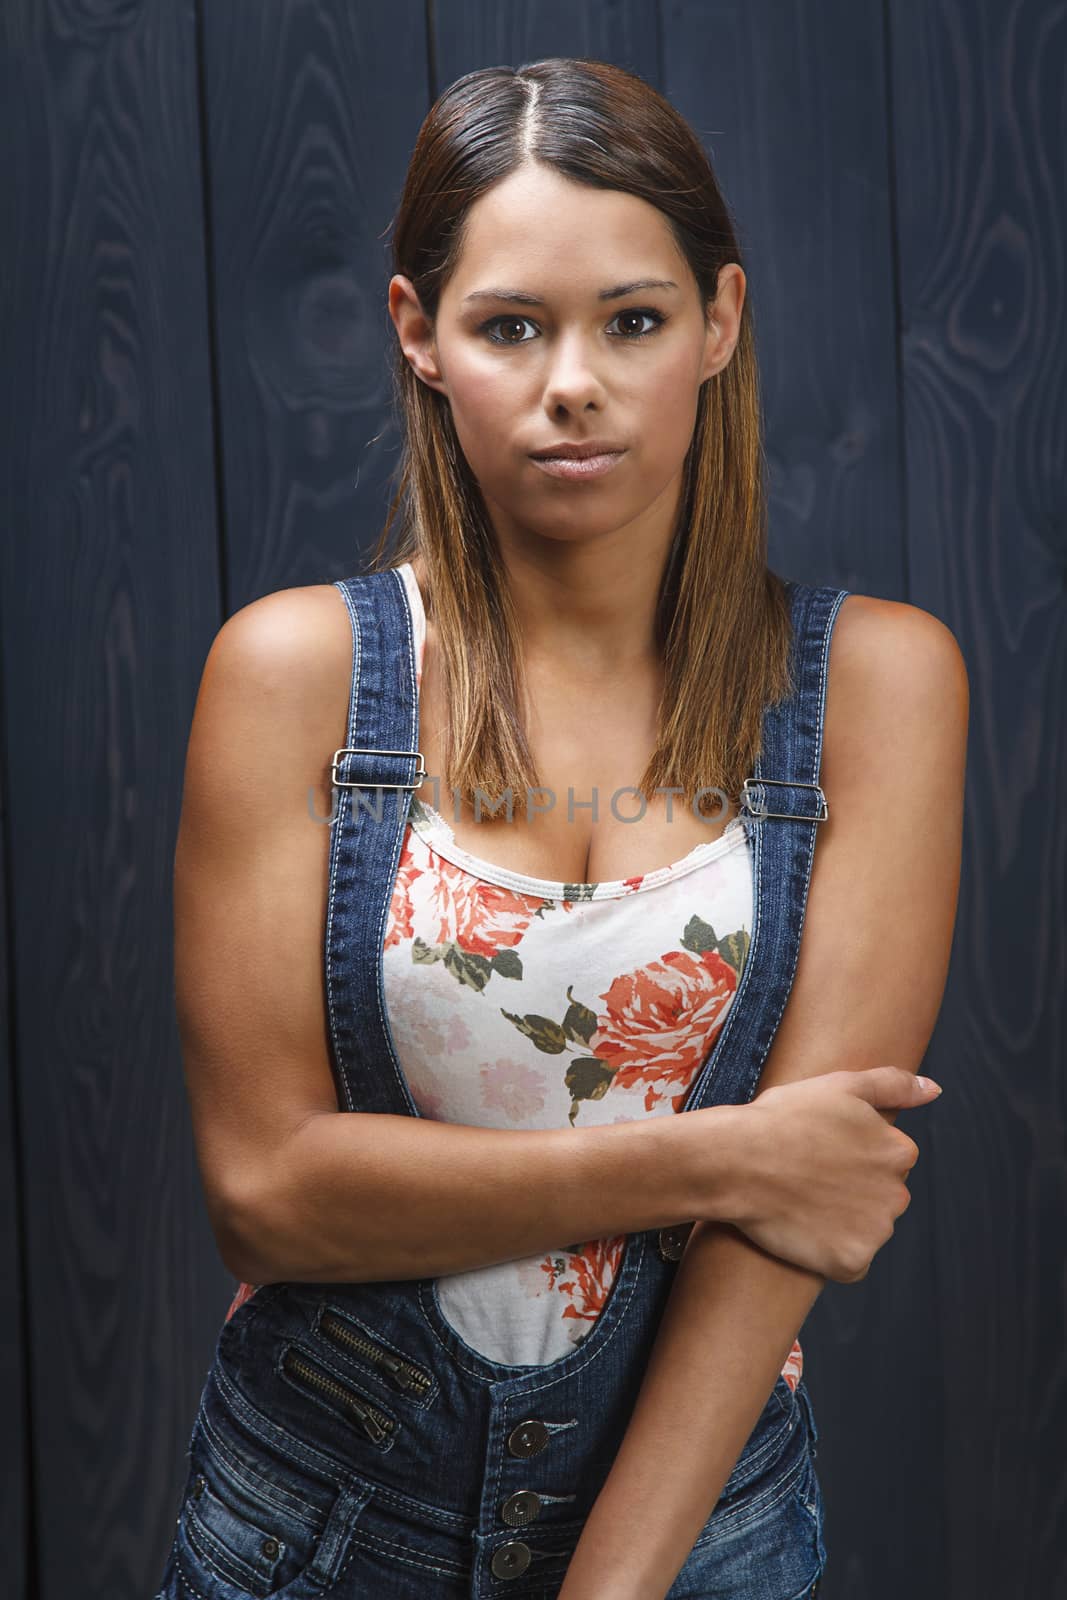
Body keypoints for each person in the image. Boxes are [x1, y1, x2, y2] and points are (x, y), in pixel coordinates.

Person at [155, 57, 967, 1600]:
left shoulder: (881, 689)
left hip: (699, 1536)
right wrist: (728, 1153)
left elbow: (788, 1229)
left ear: (718, 326)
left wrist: (608, 1590)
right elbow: (264, 1188)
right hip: (320, 1521)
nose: (572, 381)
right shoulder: (295, 677)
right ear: (420, 337)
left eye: (634, 321)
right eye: (511, 325)